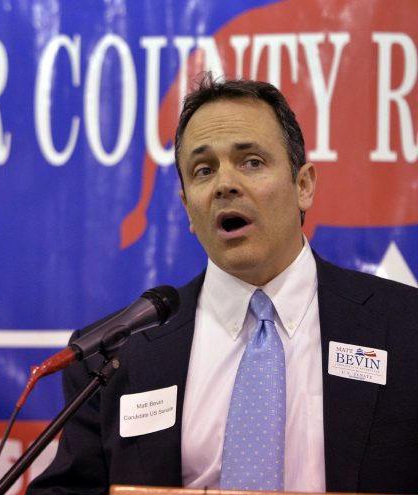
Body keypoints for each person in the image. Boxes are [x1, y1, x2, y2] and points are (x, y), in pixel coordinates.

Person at [27, 74, 418, 494]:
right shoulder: (113, 356)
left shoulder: (405, 327)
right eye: (203, 170)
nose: (225, 184)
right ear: (188, 210)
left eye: (252, 161)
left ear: (303, 185)